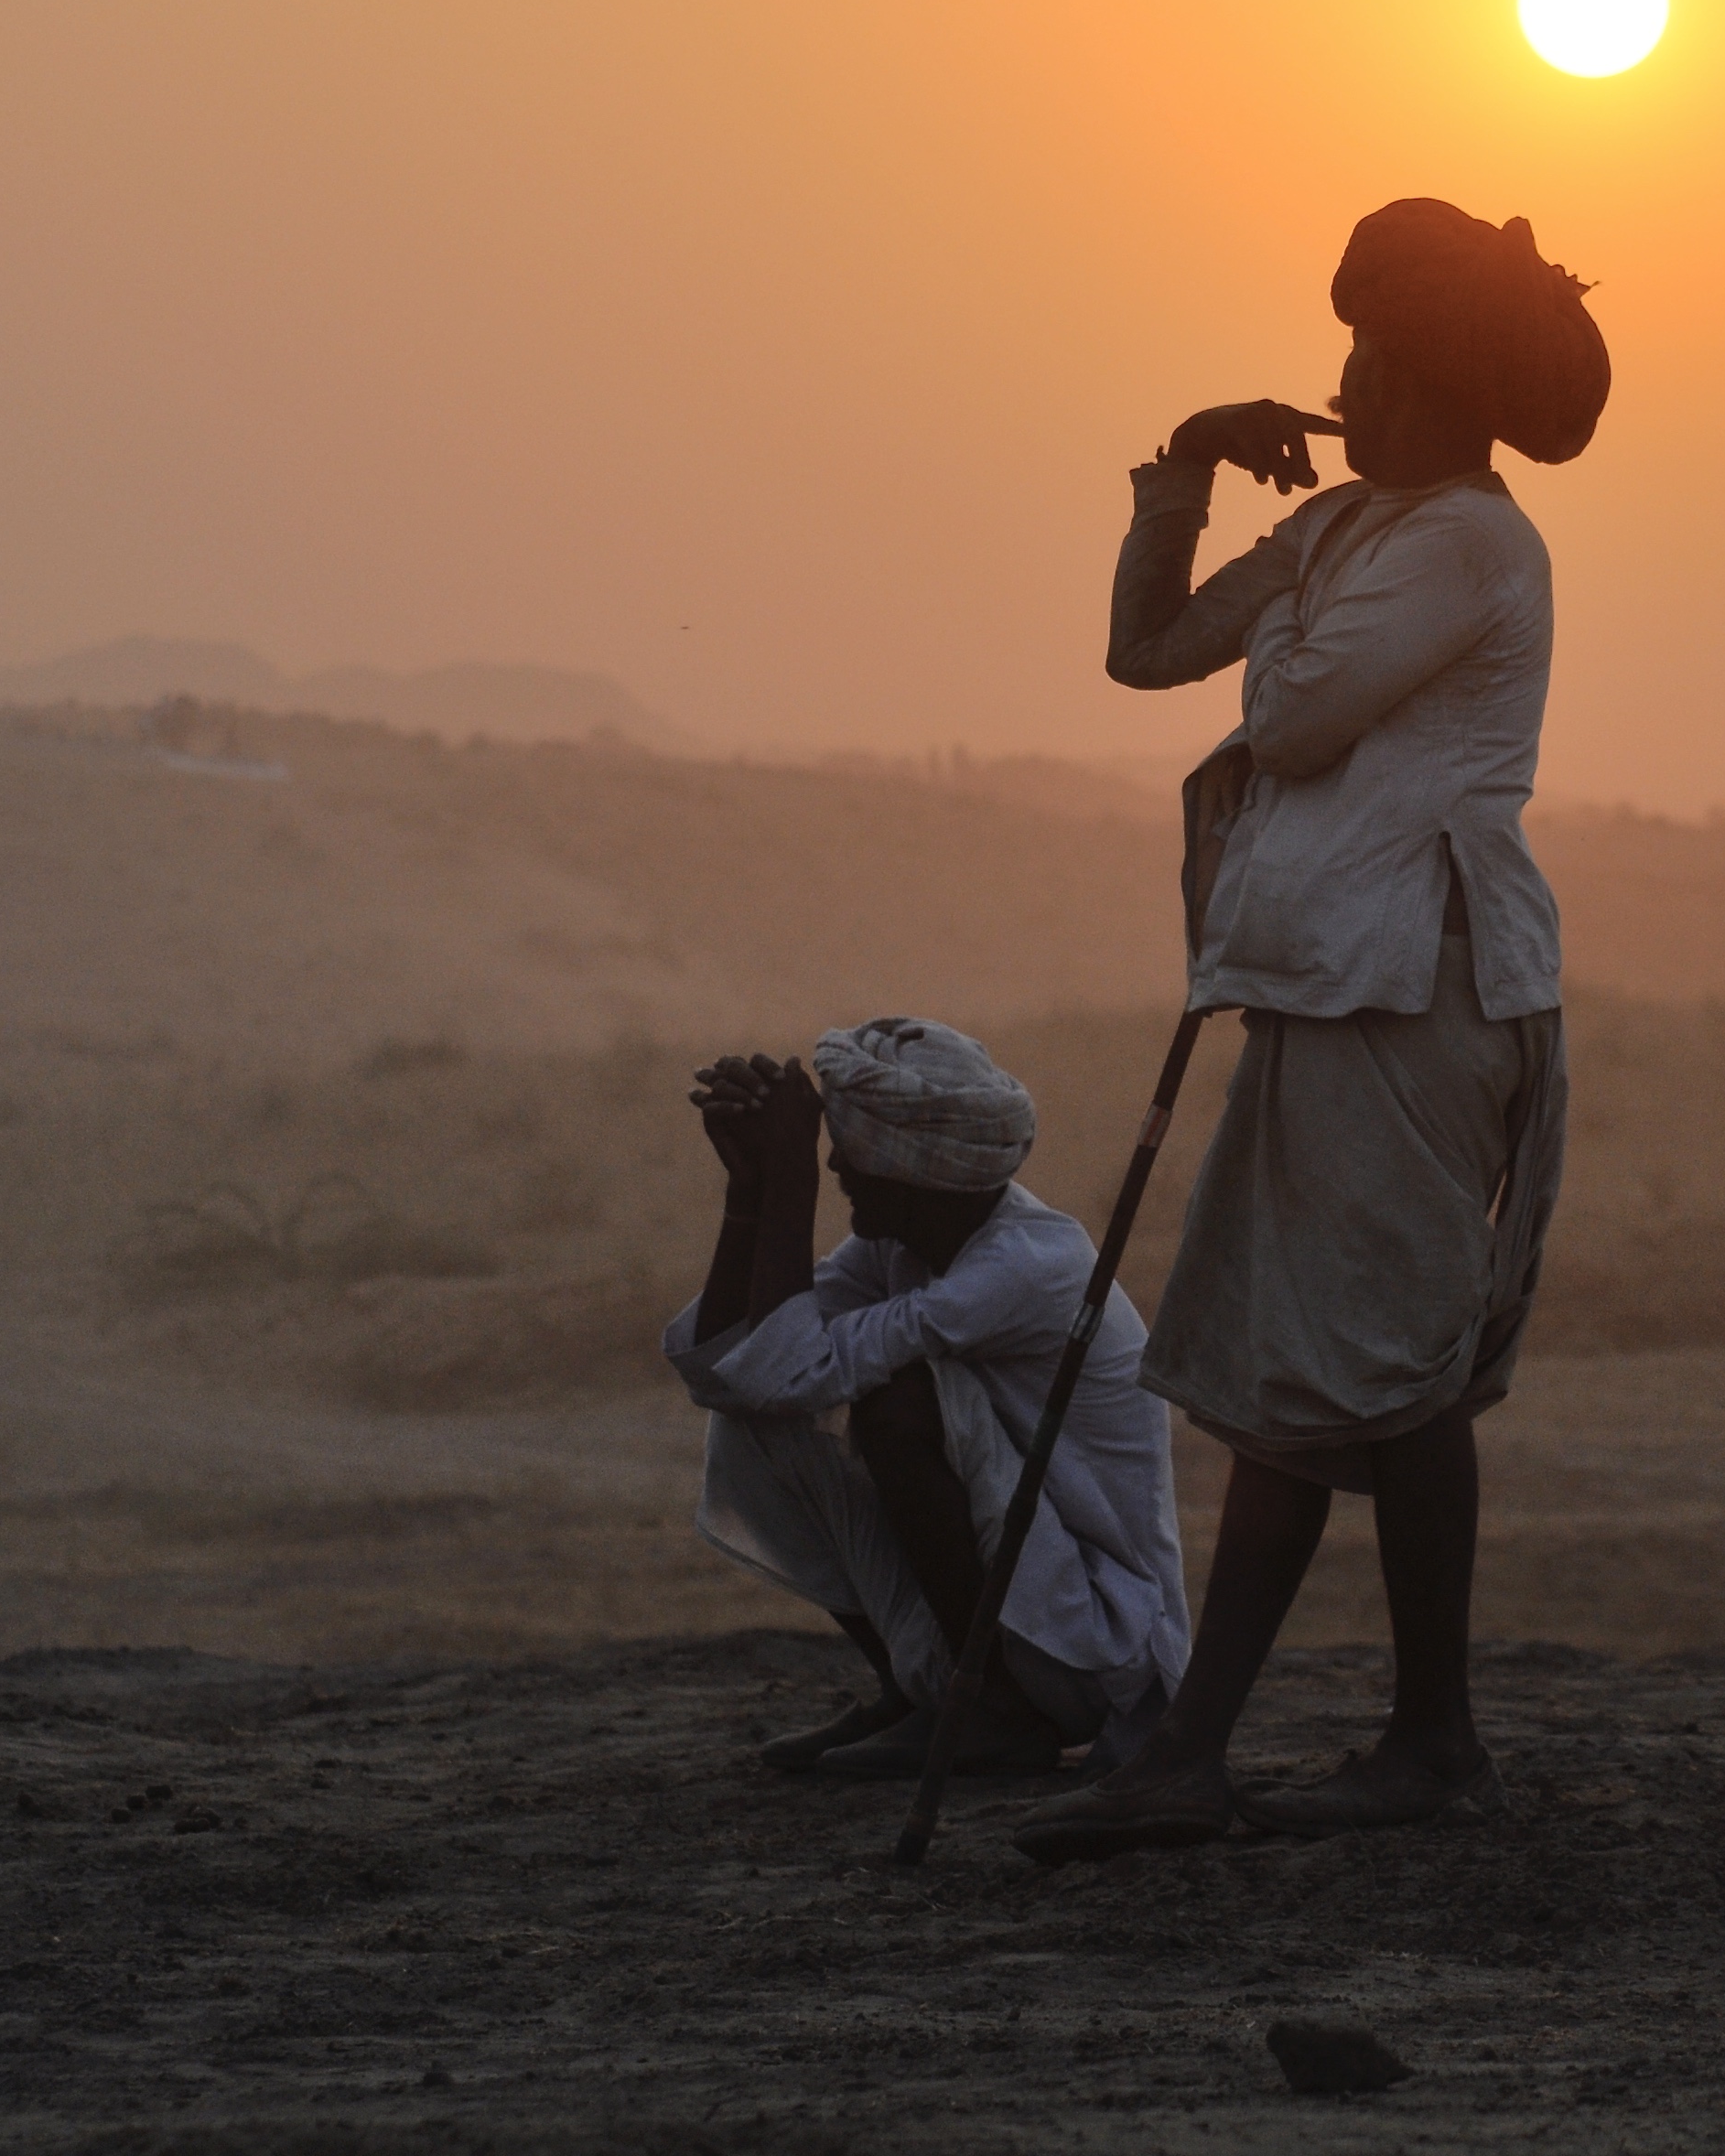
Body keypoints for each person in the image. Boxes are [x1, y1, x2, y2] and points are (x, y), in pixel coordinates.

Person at [1010, 198, 1605, 1863]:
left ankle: (1391, 1744)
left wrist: (1286, 597)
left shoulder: (1469, 544)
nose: (1343, 375)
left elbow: (1283, 718)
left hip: (1420, 989)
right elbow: (1144, 655)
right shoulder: (1354, 527)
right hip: (1329, 981)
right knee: (1316, 1371)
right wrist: (1184, 464)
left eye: (1373, 351)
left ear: (1437, 379)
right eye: (1346, 344)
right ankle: (1237, 1751)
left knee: (1382, 1370)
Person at [663, 1019, 1188, 1780]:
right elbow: (733, 1370)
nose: (836, 1160)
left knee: (902, 1404)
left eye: (849, 1151)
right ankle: (919, 1695)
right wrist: (751, 1193)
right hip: (1020, 1609)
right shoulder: (902, 1242)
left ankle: (995, 1713)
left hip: (1094, 1641)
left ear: (909, 1171)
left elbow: (785, 1367)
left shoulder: (1022, 1265)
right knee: (755, 1420)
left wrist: (793, 1182)